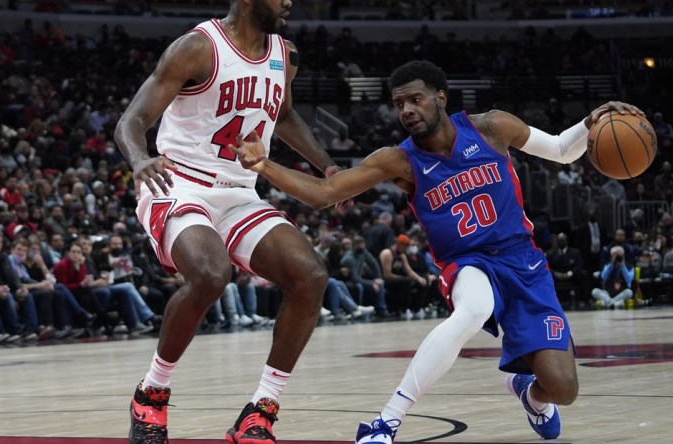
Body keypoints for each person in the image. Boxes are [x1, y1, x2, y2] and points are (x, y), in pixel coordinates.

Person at [228, 60, 642, 442]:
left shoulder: (491, 127)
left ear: (440, 97)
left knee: (563, 390)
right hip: (468, 263)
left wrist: (592, 121)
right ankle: (386, 421)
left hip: (524, 262)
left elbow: (560, 150)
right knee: (473, 308)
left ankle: (529, 394)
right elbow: (324, 193)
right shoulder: (398, 161)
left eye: (415, 99)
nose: (406, 110)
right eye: (398, 104)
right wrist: (264, 166)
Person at [113, 1, 342, 442]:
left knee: (311, 275)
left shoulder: (286, 54)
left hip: (239, 191)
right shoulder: (197, 48)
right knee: (210, 273)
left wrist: (327, 166)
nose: (289, 2)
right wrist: (140, 159)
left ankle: (260, 411)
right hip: (177, 181)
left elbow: (285, 115)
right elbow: (132, 120)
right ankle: (151, 393)